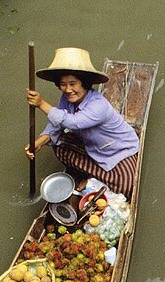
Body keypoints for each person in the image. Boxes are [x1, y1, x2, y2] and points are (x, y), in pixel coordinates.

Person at [25, 47, 139, 198]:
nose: (68, 89)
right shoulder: (66, 99)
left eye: (73, 83)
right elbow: (57, 124)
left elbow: (73, 123)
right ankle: (95, 176)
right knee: (59, 146)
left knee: (127, 186)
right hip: (94, 146)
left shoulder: (99, 105)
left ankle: (94, 181)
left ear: (83, 83)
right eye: (63, 84)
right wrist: (38, 142)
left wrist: (41, 103)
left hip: (119, 150)